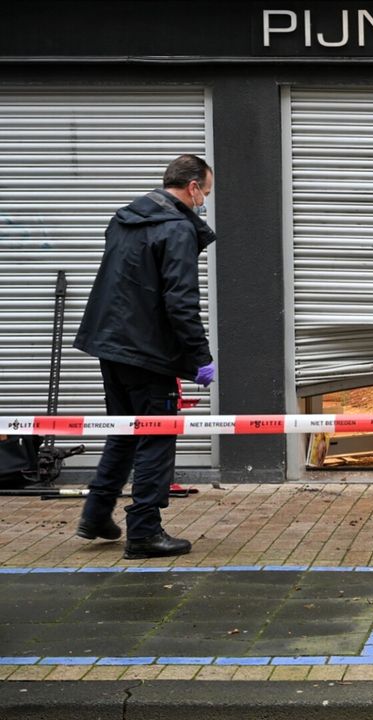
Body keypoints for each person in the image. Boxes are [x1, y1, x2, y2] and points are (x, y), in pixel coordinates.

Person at [73, 154, 218, 560]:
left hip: (111, 344)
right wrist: (199, 356)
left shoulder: (125, 219)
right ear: (191, 187)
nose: (204, 200)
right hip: (147, 351)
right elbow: (180, 300)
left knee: (124, 428)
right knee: (156, 433)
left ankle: (97, 514)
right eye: (205, 192)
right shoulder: (176, 229)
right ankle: (145, 531)